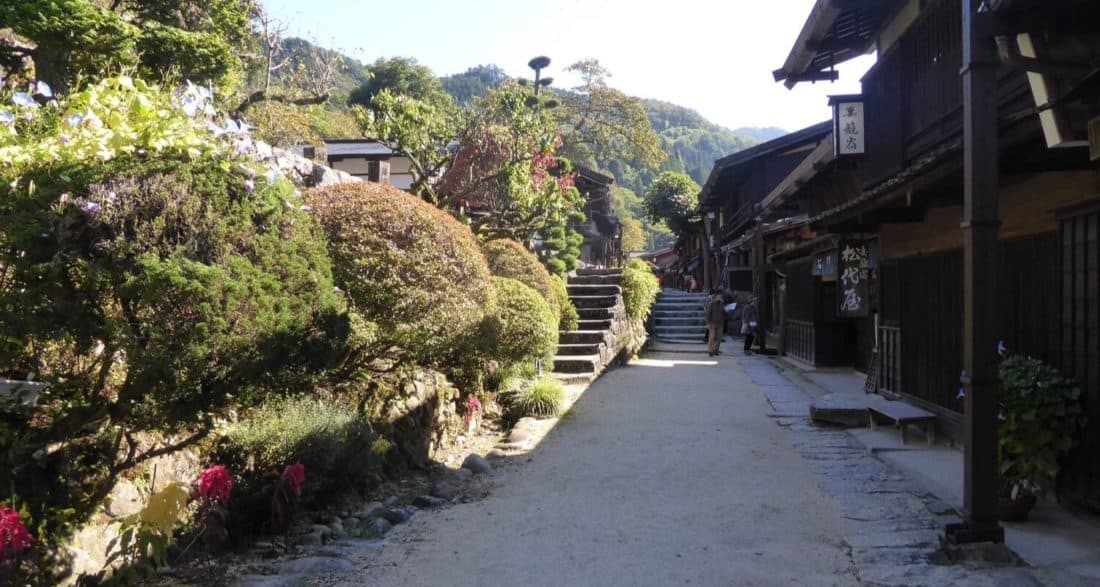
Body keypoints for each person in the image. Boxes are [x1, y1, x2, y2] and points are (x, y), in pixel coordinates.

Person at [706, 290, 725, 357]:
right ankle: (711, 351)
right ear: (716, 296)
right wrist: (708, 323)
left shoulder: (722, 304)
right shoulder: (711, 304)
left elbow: (725, 313)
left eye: (721, 296)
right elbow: (708, 314)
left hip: (720, 323)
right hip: (712, 323)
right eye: (719, 296)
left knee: (719, 337)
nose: (720, 297)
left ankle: (716, 349)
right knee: (712, 337)